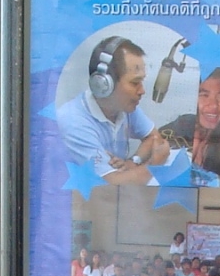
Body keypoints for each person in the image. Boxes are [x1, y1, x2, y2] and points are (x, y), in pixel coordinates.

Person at [57, 36, 168, 185]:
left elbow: (154, 138)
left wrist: (133, 163)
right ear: (103, 84)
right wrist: (154, 165)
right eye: (135, 83)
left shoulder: (124, 107)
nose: (142, 91)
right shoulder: (73, 122)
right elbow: (112, 186)